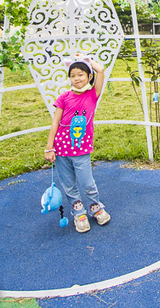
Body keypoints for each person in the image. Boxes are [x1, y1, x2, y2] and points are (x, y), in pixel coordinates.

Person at [44, 54, 110, 233]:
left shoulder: (92, 95)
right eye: (72, 75)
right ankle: (78, 211)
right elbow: (55, 122)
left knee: (87, 183)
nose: (76, 78)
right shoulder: (64, 97)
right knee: (69, 185)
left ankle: (95, 206)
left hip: (81, 150)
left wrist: (86, 59)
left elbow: (101, 70)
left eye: (81, 74)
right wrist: (49, 148)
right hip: (61, 150)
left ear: (89, 76)